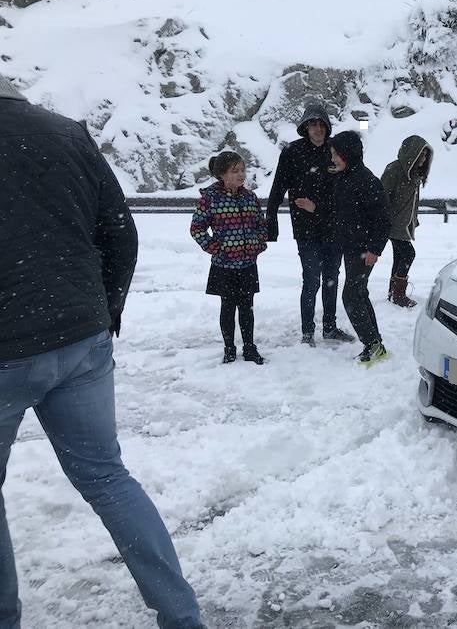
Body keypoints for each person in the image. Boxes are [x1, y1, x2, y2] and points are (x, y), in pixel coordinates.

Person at [0, 74, 203, 628]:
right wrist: (104, 309)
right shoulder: (67, 133)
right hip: (80, 338)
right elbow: (120, 230)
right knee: (108, 478)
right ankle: (182, 617)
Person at [266, 102, 354, 348]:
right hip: (305, 229)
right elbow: (278, 188)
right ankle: (307, 332)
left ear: (327, 126)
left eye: (320, 124)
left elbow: (345, 190)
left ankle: (329, 327)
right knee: (312, 279)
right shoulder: (292, 151)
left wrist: (323, 208)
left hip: (333, 227)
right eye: (312, 124)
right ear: (305, 127)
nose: (317, 129)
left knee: (332, 278)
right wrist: (270, 219)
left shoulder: (335, 151)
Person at [190, 151, 267, 364]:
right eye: (235, 171)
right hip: (224, 265)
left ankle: (250, 348)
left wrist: (259, 243)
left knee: (247, 308)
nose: (241, 174)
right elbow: (197, 228)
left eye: (242, 169)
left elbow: (261, 225)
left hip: (248, 263)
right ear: (222, 174)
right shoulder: (210, 198)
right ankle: (229, 348)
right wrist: (215, 248)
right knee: (228, 307)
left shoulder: (250, 197)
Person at [330, 131, 392, 364]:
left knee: (351, 296)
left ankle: (373, 345)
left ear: (348, 154)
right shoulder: (345, 176)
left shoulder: (367, 181)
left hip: (364, 249)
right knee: (359, 293)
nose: (333, 159)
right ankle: (375, 343)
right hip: (351, 247)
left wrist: (375, 249)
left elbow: (383, 219)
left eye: (336, 154)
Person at [381, 136, 433, 307]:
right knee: (408, 254)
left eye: (426, 156)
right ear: (412, 153)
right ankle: (398, 295)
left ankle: (393, 292)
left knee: (399, 257)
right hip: (394, 223)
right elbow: (382, 196)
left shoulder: (415, 173)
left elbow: (411, 201)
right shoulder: (395, 169)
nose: (423, 159)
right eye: (421, 155)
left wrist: (413, 220)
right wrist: (384, 219)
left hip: (404, 223)